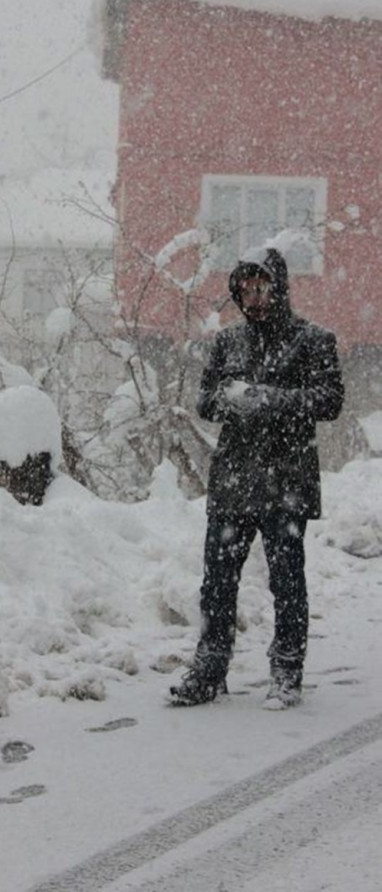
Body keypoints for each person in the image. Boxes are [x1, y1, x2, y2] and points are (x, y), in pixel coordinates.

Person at [169, 247, 344, 709]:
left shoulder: (313, 340)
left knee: (287, 580)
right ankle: (209, 667)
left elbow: (329, 400)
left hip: (287, 480)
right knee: (217, 581)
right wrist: (232, 401)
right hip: (233, 482)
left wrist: (269, 399)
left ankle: (287, 669)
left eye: (261, 287)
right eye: (244, 289)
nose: (253, 296)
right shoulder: (228, 342)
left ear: (279, 288)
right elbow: (205, 402)